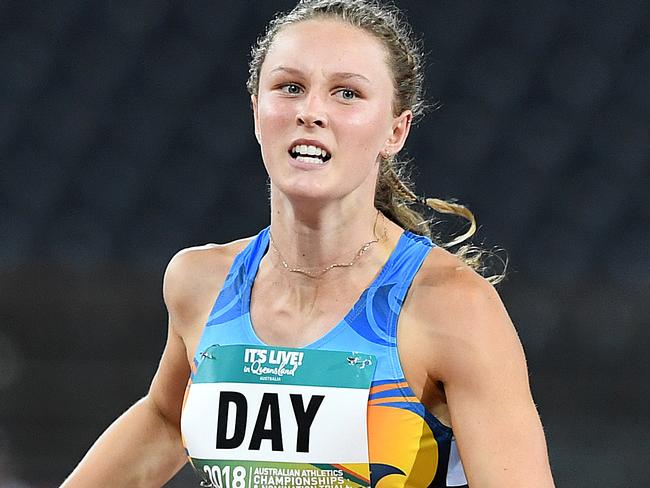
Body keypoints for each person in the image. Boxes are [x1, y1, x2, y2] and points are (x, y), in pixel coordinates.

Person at [62, 1, 555, 487]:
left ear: (395, 130)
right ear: (257, 112)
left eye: (346, 93)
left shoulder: (451, 307)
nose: (311, 111)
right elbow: (168, 421)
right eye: (290, 87)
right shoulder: (202, 284)